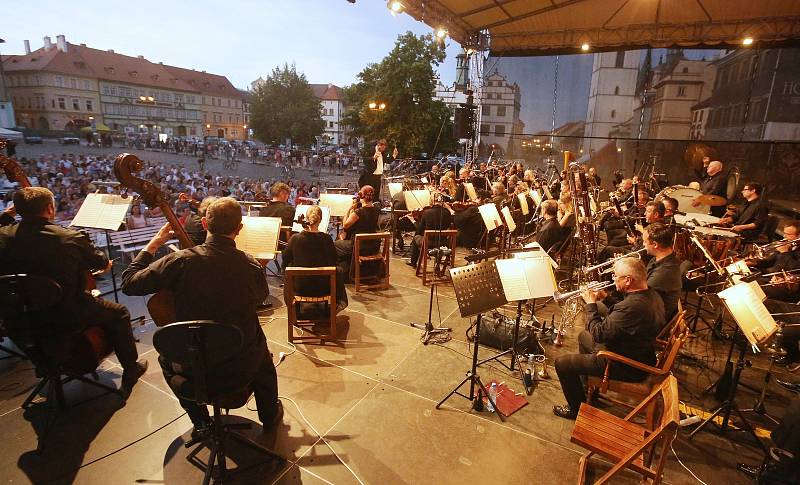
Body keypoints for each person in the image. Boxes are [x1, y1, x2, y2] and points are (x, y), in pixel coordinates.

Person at [120, 197, 281, 435]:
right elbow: (259, 297)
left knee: (166, 358)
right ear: (239, 229)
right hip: (241, 367)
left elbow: (129, 283)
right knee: (260, 346)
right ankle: (269, 418)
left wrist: (154, 244)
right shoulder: (250, 265)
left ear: (204, 224)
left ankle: (201, 422)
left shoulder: (179, 261)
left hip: (192, 369)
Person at [0, 187, 146, 396]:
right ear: (50, 208)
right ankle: (131, 369)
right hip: (68, 313)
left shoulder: (3, 237)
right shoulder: (69, 237)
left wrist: (8, 215)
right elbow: (101, 263)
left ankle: (43, 363)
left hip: (20, 319)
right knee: (120, 313)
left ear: (18, 210)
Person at [553, 257, 663, 419]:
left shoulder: (633, 307)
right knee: (584, 336)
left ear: (628, 280)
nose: (613, 279)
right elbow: (621, 311)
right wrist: (605, 298)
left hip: (625, 364)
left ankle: (575, 410)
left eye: (615, 276)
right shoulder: (650, 294)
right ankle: (585, 387)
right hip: (638, 352)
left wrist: (591, 304)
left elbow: (598, 333)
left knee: (562, 363)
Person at [283, 205, 348, 312]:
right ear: (321, 220)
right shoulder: (327, 239)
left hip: (300, 288)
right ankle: (334, 307)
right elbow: (333, 261)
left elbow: (285, 260)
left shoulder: (295, 239)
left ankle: (293, 308)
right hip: (324, 287)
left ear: (306, 219)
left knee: (288, 269)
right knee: (338, 270)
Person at [335, 185, 380, 279]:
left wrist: (349, 209)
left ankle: (345, 273)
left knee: (336, 244)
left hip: (359, 246)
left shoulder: (359, 212)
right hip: (372, 246)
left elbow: (345, 225)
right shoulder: (376, 209)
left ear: (361, 196)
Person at [641, 223, 682, 324]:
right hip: (646, 308)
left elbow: (638, 298)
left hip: (650, 321)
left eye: (644, 241)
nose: (643, 244)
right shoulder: (659, 258)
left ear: (655, 244)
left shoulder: (665, 272)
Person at [409, 197, 454, 267]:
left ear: (432, 203)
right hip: (444, 243)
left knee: (416, 237)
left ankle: (413, 263)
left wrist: (414, 221)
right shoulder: (447, 212)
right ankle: (438, 264)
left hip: (429, 243)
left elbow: (420, 229)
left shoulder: (427, 212)